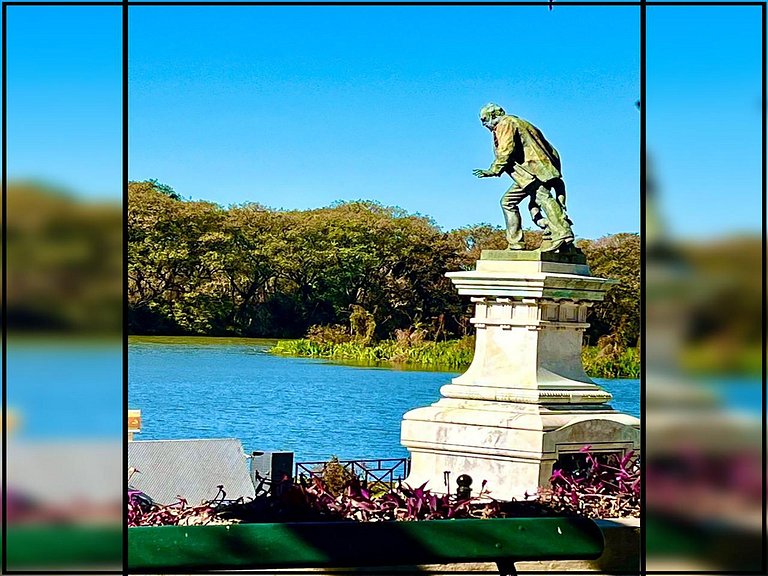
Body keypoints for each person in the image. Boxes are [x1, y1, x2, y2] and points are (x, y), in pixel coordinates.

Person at [473, 103, 574, 252]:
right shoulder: (521, 123)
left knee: (543, 198)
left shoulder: (506, 123)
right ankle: (516, 243)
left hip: (532, 172)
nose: (484, 125)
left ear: (493, 116)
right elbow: (552, 150)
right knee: (508, 202)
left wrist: (493, 170)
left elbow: (506, 149)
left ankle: (562, 233)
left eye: (484, 119)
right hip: (531, 173)